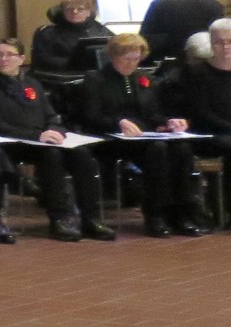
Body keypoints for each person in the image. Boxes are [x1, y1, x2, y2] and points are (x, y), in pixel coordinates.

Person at [0, 37, 111, 242]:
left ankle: (90, 218)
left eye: (10, 55)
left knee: (81, 154)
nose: (4, 59)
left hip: (41, 140)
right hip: (10, 143)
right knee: (52, 155)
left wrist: (55, 130)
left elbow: (51, 115)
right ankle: (59, 219)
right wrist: (37, 135)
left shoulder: (32, 83)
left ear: (21, 58)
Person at [75, 33, 204, 237]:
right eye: (126, 58)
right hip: (108, 138)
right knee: (158, 149)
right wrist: (118, 122)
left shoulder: (144, 79)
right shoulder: (95, 80)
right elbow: (91, 116)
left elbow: (153, 113)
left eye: (136, 58)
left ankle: (181, 212)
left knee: (182, 148)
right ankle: (155, 215)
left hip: (142, 137)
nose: (132, 63)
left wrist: (168, 122)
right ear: (113, 56)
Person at [141, 0, 226, 64]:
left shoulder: (159, 4)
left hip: (168, 62)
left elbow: (146, 38)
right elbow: (220, 36)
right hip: (204, 63)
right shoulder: (214, 5)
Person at [174, 18, 231, 157]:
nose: (225, 47)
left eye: (230, 41)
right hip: (209, 134)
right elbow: (201, 113)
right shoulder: (195, 73)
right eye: (219, 42)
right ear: (211, 43)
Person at [30, 0, 111, 76]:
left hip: (98, 73)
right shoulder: (47, 33)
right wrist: (72, 63)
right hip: (63, 75)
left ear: (88, 12)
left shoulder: (101, 29)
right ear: (63, 12)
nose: (74, 12)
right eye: (69, 9)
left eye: (80, 9)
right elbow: (41, 59)